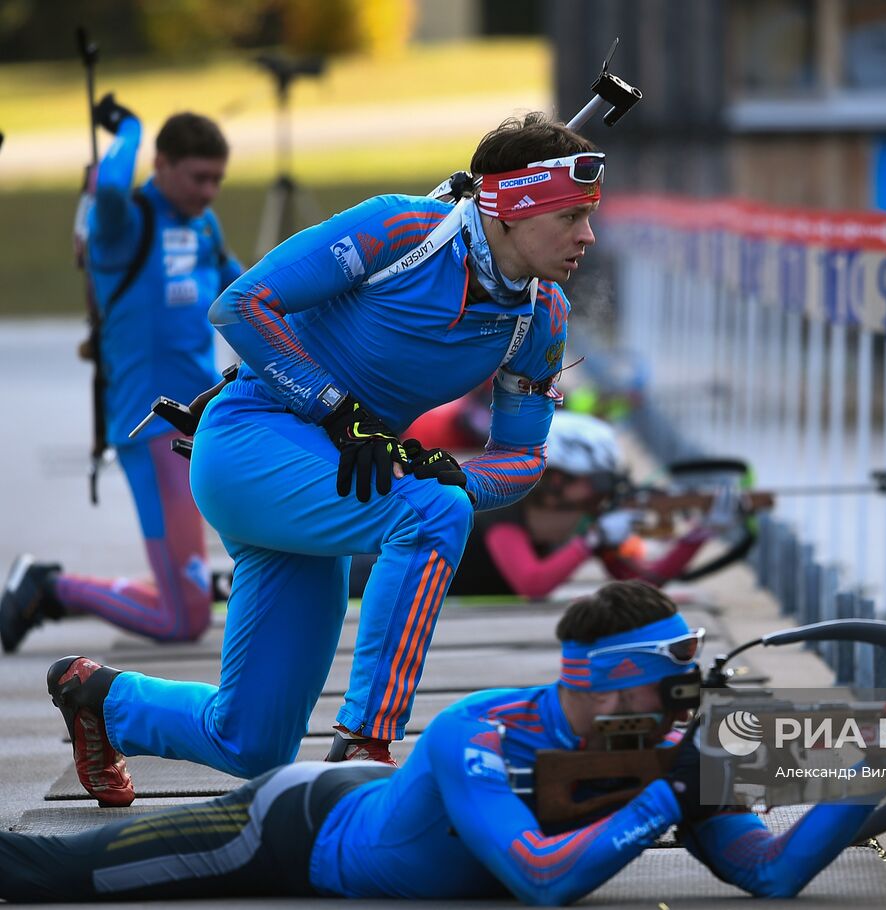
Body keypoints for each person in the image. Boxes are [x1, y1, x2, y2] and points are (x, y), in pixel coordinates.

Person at [45, 112, 599, 809]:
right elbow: (240, 306)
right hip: (250, 443)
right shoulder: (400, 230)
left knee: (251, 744)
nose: (588, 235)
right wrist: (342, 411)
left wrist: (457, 471)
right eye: (572, 215)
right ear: (511, 210)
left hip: (336, 481)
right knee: (431, 513)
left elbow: (520, 458)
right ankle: (367, 745)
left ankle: (98, 698)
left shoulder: (541, 315)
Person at [3, 582, 879, 903]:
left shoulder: (670, 745)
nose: (691, 699)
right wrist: (666, 797)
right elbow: (539, 879)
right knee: (52, 877)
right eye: (673, 679)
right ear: (609, 685)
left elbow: (770, 869)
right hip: (288, 829)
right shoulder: (479, 732)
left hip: (350, 810)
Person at [1, 96, 242, 653]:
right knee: (184, 621)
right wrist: (129, 128)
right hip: (151, 428)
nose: (208, 192)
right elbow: (108, 186)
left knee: (187, 598)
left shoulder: (204, 225)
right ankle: (52, 588)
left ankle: (53, 588)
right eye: (198, 177)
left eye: (218, 180)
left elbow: (250, 290)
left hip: (199, 429)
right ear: (160, 165)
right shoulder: (123, 221)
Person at [348, 410, 740, 600]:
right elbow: (532, 584)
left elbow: (639, 578)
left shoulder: (580, 517)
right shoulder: (502, 510)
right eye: (596, 481)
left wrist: (700, 535)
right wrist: (592, 540)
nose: (602, 492)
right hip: (376, 574)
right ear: (557, 479)